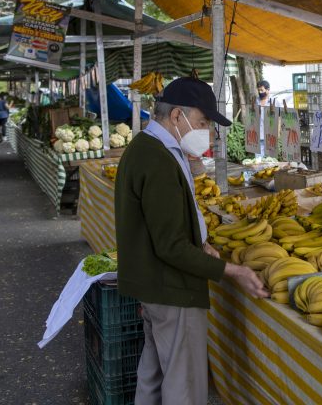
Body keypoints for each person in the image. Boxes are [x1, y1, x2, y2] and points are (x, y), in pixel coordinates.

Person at [115, 77, 268, 405]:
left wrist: (200, 241)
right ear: (176, 117)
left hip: (154, 284)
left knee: (155, 375)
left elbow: (161, 225)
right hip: (172, 288)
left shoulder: (150, 149)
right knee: (184, 385)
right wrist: (232, 271)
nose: (207, 132)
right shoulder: (156, 159)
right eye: (202, 123)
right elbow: (170, 246)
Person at [256, 79, 270, 156]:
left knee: (269, 161)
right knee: (258, 160)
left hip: (269, 135)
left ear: (267, 90)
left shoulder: (273, 102)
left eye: (262, 90)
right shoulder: (256, 101)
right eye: (259, 90)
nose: (260, 92)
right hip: (257, 134)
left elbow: (279, 118)